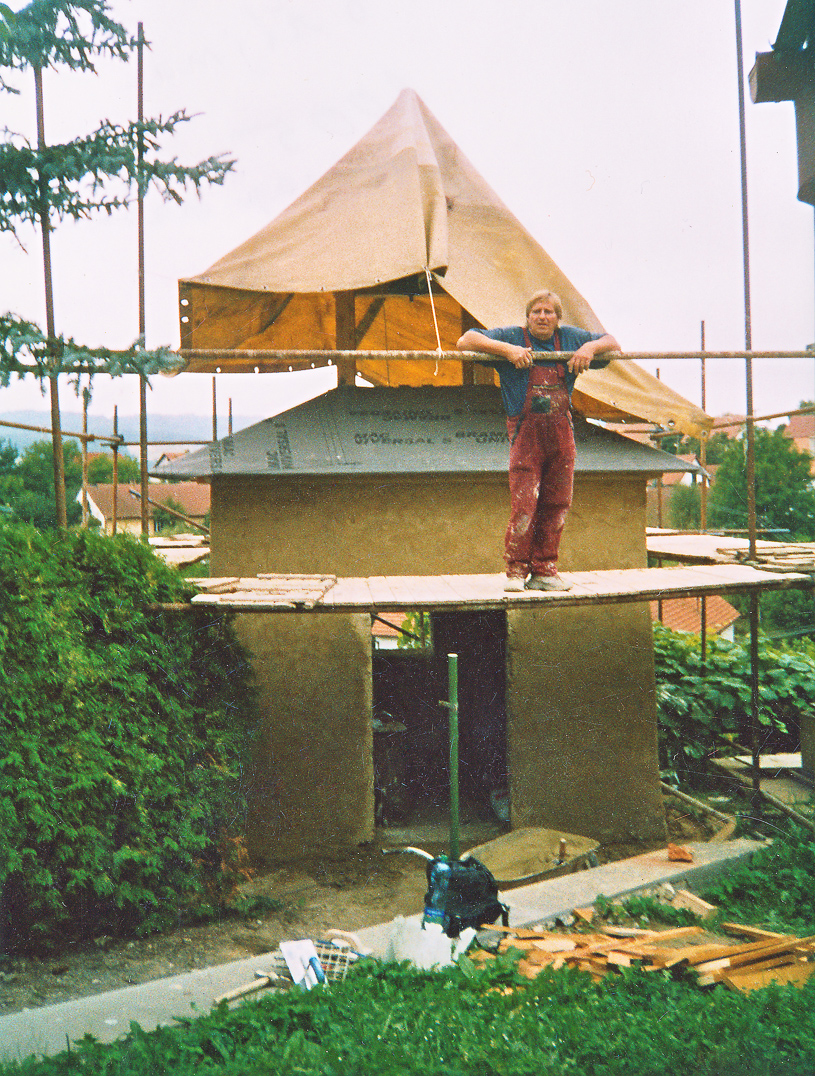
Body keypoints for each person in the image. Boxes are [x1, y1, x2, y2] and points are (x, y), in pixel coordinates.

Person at [456, 290, 620, 592]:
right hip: (525, 435)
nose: (543, 317)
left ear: (557, 318)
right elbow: (465, 340)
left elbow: (612, 343)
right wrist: (507, 351)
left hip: (561, 434)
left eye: (549, 312)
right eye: (537, 312)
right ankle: (516, 571)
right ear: (527, 316)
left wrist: (589, 349)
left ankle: (545, 571)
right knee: (525, 503)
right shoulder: (513, 337)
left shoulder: (569, 339)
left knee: (557, 503)